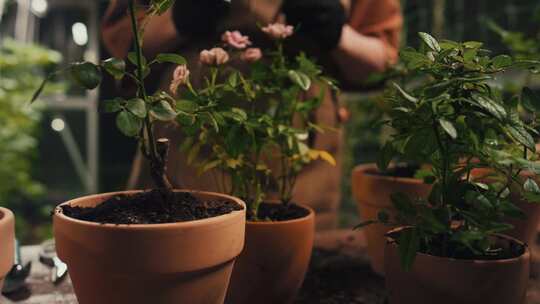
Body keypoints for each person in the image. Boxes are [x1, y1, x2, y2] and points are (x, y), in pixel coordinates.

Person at [102, 0, 402, 230]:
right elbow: (121, 42)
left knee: (295, 268)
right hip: (188, 144)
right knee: (175, 253)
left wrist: (336, 32)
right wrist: (178, 19)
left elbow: (383, 61)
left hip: (303, 159)